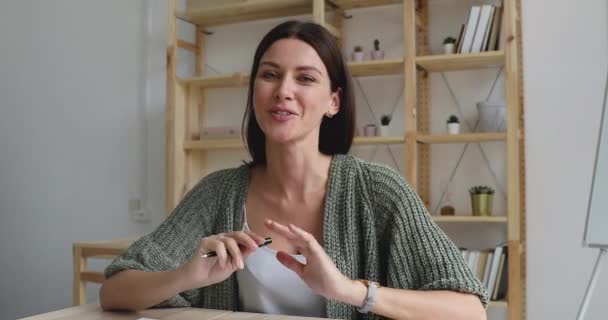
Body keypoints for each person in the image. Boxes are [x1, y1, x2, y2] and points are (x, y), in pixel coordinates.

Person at [100, 20, 488, 320]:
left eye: (305, 78)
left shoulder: (377, 191)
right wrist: (188, 275)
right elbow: (115, 289)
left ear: (333, 102)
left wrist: (350, 291)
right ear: (254, 93)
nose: (283, 90)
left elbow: (470, 310)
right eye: (269, 75)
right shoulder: (218, 192)